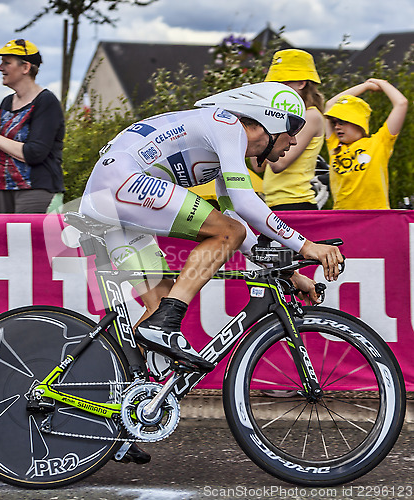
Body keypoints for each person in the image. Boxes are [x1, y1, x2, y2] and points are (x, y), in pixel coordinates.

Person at [80, 82, 343, 373]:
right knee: (172, 307)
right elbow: (242, 211)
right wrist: (307, 246)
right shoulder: (227, 125)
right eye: (291, 132)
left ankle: (112, 387)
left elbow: (238, 221)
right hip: (119, 184)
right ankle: (166, 323)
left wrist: (291, 274)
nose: (293, 142)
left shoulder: (225, 148)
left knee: (160, 305)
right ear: (271, 123)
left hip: (111, 196)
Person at [0, 39, 65, 213]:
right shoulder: (6, 102)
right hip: (0, 188)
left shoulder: (46, 101)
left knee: (28, 240)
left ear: (25, 68)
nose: (0, 68)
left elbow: (34, 154)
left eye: (6, 63)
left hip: (34, 191)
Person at [252, 49, 325, 210]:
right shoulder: (282, 118)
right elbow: (258, 166)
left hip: (296, 202)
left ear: (302, 83)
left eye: (283, 83)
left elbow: (279, 164)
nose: (276, 89)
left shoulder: (311, 116)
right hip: (273, 203)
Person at [324, 78, 408, 209]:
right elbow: (329, 105)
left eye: (342, 121)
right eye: (334, 122)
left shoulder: (379, 142)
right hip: (342, 218)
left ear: (358, 122)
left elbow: (401, 103)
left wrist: (382, 83)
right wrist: (365, 86)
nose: (336, 127)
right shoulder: (334, 145)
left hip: (375, 217)